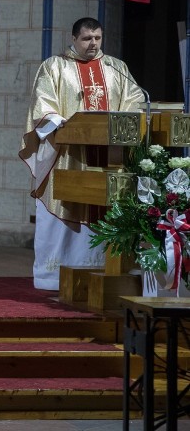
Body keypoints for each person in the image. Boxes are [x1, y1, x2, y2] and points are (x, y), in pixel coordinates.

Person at [19, 17, 146, 290]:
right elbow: (43, 104)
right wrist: (56, 119)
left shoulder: (116, 68)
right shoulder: (55, 66)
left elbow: (136, 101)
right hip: (69, 156)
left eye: (98, 38)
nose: (93, 44)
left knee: (105, 207)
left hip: (108, 158)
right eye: (88, 38)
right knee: (63, 207)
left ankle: (104, 269)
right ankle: (53, 277)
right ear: (74, 38)